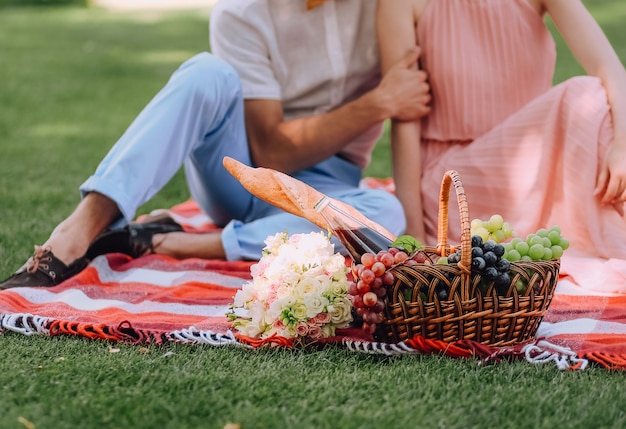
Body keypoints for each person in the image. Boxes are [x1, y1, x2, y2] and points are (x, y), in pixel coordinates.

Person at [0, 0, 431, 290]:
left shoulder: (383, 7)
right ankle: (79, 229)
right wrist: (379, 102)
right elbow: (272, 154)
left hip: (326, 189)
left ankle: (167, 241)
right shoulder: (241, 11)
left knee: (386, 213)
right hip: (241, 174)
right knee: (207, 72)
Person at [376, 0, 626, 264]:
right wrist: (416, 237)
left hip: (539, 165)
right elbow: (404, 116)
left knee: (598, 112)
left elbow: (609, 69)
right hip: (456, 183)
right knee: (580, 97)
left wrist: (622, 144)